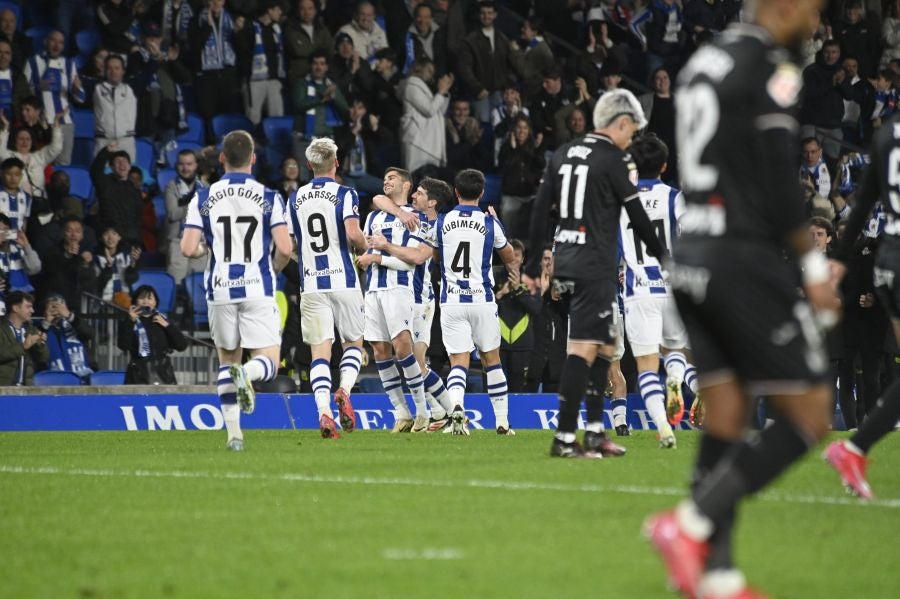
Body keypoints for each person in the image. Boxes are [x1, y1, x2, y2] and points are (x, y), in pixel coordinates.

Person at [643, 2, 844, 598]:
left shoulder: (703, 59)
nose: (817, 16)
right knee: (809, 415)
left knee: (726, 416)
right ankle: (689, 525)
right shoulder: (769, 64)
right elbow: (780, 173)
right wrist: (810, 265)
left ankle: (717, 575)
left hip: (693, 255)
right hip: (742, 258)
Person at [528, 89, 662, 459]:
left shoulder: (563, 152)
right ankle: (566, 437)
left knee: (603, 346)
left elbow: (540, 210)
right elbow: (636, 216)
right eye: (631, 131)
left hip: (566, 260)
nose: (631, 139)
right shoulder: (612, 159)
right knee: (583, 349)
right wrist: (663, 256)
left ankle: (595, 432)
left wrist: (534, 263)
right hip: (593, 265)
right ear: (620, 123)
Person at [372, 169, 519, 436]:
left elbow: (434, 257)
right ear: (482, 193)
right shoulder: (489, 223)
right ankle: (502, 422)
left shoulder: (442, 221)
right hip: (482, 299)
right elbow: (509, 254)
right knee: (492, 360)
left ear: (457, 192)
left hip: (451, 301)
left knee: (458, 362)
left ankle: (456, 411)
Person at [181, 130, 293, 451]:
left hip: (219, 289)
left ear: (221, 159)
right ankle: (248, 373)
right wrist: (274, 267)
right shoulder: (270, 196)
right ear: (253, 159)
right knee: (269, 359)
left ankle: (234, 437)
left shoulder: (202, 197)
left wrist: (206, 251)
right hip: (257, 286)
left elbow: (188, 249)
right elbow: (284, 248)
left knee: (226, 361)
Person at [824, 108, 900, 500]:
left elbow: (864, 198)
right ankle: (854, 448)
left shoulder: (887, 136)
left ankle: (854, 448)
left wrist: (837, 257)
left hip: (888, 260)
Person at [285, 136, 365, 439]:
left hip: (311, 284)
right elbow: (353, 234)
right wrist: (365, 244)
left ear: (308, 165)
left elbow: (289, 244)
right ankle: (343, 389)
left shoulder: (296, 197)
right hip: (343, 280)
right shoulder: (346, 194)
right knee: (353, 344)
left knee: (320, 353)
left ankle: (324, 414)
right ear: (337, 163)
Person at [619, 132, 690, 448]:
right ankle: (675, 380)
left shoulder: (620, 202)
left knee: (646, 363)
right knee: (674, 351)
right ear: (664, 165)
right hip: (673, 287)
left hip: (639, 291)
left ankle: (664, 429)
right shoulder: (675, 197)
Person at [371, 175, 455, 431]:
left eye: (419, 193)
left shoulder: (434, 226)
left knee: (418, 364)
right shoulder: (409, 216)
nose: (415, 196)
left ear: (432, 202)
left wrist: (383, 250)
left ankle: (452, 412)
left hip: (420, 299)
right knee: (414, 364)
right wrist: (398, 211)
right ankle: (441, 412)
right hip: (407, 295)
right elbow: (377, 198)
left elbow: (416, 258)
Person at [358, 167, 435, 432]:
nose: (385, 181)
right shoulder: (372, 217)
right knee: (379, 350)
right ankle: (401, 412)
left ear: (406, 185)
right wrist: (367, 259)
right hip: (373, 291)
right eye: (384, 177)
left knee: (403, 347)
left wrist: (377, 257)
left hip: (399, 290)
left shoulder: (417, 218)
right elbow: (368, 250)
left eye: (392, 178)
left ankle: (423, 412)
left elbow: (409, 264)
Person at [23, 30, 84, 165]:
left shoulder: (69, 64)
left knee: (63, 165)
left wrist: (76, 89)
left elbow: (81, 98)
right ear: (46, 41)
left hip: (65, 123)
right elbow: (22, 94)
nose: (57, 45)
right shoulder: (32, 62)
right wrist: (37, 88)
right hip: (41, 123)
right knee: (39, 164)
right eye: (53, 40)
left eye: (61, 42)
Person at [117, 285, 188, 385]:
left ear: (155, 302)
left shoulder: (163, 320)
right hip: (138, 375)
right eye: (142, 298)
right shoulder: (128, 321)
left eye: (149, 298)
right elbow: (123, 345)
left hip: (163, 374)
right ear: (135, 301)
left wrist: (167, 325)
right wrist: (130, 321)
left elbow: (182, 345)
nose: (146, 301)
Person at [399, 57, 452, 174]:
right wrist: (440, 92)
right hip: (418, 141)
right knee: (417, 179)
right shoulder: (412, 86)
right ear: (419, 70)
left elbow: (439, 112)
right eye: (429, 71)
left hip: (428, 141)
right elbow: (429, 110)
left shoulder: (422, 88)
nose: (431, 75)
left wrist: (444, 92)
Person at [165, 149, 208, 284]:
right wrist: (192, 203)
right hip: (178, 241)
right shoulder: (171, 187)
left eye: (189, 164)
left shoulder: (206, 187)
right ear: (176, 166)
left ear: (196, 165)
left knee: (198, 283)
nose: (185, 168)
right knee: (176, 282)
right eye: (181, 164)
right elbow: (172, 214)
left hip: (200, 241)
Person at [90, 142, 143, 249]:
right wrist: (106, 151)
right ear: (112, 167)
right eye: (118, 162)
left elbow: (137, 217)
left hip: (130, 240)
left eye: (125, 162)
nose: (122, 165)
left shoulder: (134, 189)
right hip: (109, 239)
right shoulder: (105, 182)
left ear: (129, 166)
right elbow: (95, 171)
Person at [93, 54, 137, 161]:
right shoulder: (97, 88)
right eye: (110, 68)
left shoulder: (131, 88)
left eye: (117, 68)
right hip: (104, 140)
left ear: (123, 71)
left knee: (127, 175)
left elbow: (147, 73)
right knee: (100, 174)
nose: (113, 71)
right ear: (105, 70)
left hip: (126, 141)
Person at [41, 292, 93, 380]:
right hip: (53, 378)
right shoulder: (40, 327)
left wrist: (69, 316)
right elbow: (36, 348)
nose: (56, 309)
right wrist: (47, 322)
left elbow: (90, 333)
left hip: (82, 376)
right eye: (52, 306)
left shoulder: (75, 323)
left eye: (60, 305)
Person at [0, 290, 47, 385]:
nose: (32, 311)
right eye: (28, 307)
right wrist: (24, 346)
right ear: (16, 308)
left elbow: (44, 358)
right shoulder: (1, 328)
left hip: (26, 389)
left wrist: (40, 345)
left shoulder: (32, 330)